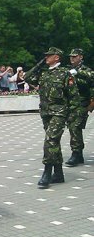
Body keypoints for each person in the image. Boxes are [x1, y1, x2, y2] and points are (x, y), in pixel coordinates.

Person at [24, 47, 79, 189]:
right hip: (46, 113)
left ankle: (47, 172)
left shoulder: (65, 73)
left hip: (59, 113)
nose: (46, 57)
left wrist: (71, 117)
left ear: (57, 58)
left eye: (49, 56)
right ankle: (59, 173)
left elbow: (74, 97)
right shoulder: (44, 73)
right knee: (54, 143)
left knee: (50, 140)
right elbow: (27, 77)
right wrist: (39, 64)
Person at [65, 48, 92, 166]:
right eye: (71, 56)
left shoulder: (86, 70)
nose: (72, 58)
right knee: (72, 127)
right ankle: (79, 154)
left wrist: (77, 73)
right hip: (70, 103)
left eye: (74, 56)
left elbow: (91, 79)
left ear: (81, 57)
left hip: (81, 102)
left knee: (75, 127)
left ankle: (76, 153)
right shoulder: (68, 70)